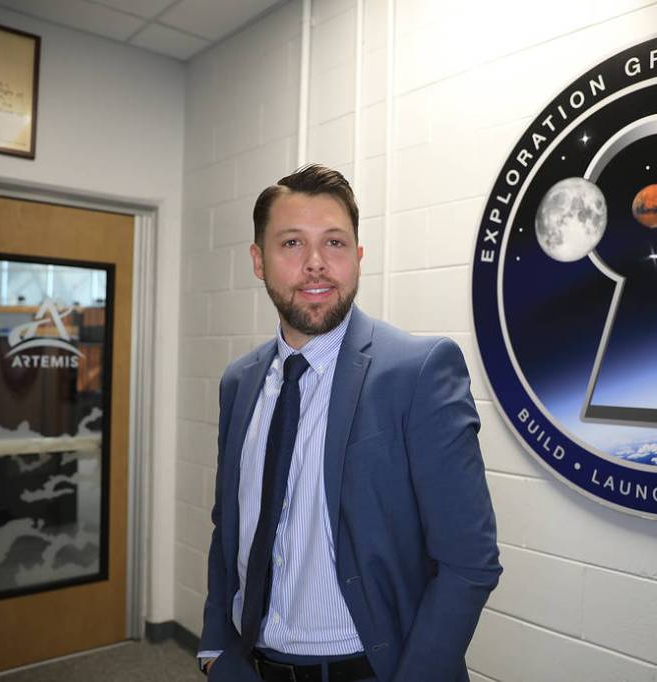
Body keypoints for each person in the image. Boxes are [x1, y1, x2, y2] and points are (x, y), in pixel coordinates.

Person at [197, 164, 501, 681]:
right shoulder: (239, 382)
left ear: (358, 257)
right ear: (258, 260)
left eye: (335, 243)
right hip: (251, 664)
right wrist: (214, 650)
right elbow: (230, 527)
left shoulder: (418, 372)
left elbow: (470, 562)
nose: (316, 264)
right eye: (292, 244)